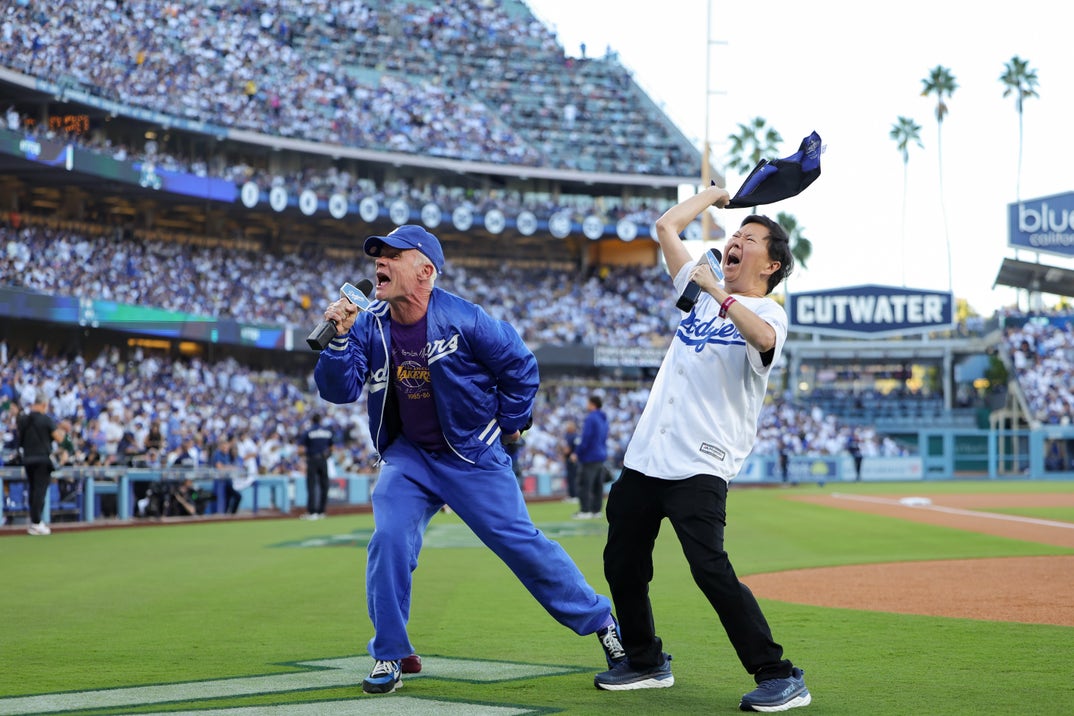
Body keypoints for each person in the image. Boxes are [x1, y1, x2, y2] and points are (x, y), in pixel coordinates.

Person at [313, 224, 625, 695]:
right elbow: (339, 390)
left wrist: (511, 421)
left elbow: (521, 365)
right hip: (409, 457)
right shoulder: (367, 322)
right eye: (376, 255)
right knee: (389, 539)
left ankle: (604, 624)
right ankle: (389, 653)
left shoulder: (467, 318)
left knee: (521, 544)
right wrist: (338, 338)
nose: (379, 261)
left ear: (425, 271)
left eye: (392, 255)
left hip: (471, 453)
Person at [596, 185, 811, 712]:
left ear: (773, 264)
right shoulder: (702, 291)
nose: (736, 240)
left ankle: (779, 673)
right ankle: (645, 659)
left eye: (750, 238)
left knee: (709, 569)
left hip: (701, 463)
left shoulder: (768, 310)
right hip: (647, 458)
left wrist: (717, 291)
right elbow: (667, 227)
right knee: (621, 561)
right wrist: (715, 196)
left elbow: (762, 341)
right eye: (736, 234)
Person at [15, 398, 65, 536]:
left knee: (33, 489)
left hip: (28, 458)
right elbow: (59, 438)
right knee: (40, 491)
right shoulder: (46, 420)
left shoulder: (24, 419)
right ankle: (36, 522)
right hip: (42, 459)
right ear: (43, 404)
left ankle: (34, 521)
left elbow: (20, 438)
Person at [573, 394, 609, 519]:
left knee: (584, 484)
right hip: (601, 455)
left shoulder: (591, 418)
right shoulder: (603, 418)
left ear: (592, 404)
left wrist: (577, 453)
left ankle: (585, 510)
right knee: (597, 485)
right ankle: (596, 510)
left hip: (590, 456)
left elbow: (586, 438)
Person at [299, 413, 333, 520]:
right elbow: (332, 447)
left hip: (312, 459)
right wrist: (326, 456)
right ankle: (322, 511)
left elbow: (300, 449)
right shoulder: (327, 432)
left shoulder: (308, 432)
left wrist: (305, 456)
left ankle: (312, 512)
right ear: (320, 420)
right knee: (324, 485)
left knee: (311, 485)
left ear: (312, 420)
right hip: (323, 460)